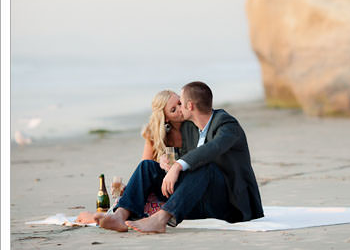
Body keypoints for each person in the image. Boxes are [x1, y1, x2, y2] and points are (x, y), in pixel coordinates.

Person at [99, 81, 264, 234]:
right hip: (196, 200)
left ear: (190, 106)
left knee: (207, 167)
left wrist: (178, 165)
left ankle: (160, 219)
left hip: (230, 205)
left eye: (181, 103)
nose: (179, 109)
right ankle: (120, 215)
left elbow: (212, 149)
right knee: (148, 166)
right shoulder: (192, 129)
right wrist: (166, 163)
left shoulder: (227, 125)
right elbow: (188, 157)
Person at [76, 89, 183, 225]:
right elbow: (146, 167)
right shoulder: (154, 133)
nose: (181, 109)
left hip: (186, 183)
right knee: (144, 170)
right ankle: (117, 216)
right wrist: (161, 161)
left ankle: (114, 215)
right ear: (166, 117)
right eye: (174, 109)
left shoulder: (193, 125)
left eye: (180, 103)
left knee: (131, 201)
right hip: (165, 186)